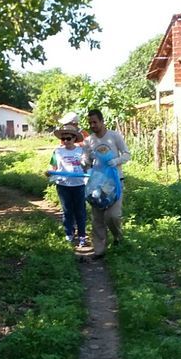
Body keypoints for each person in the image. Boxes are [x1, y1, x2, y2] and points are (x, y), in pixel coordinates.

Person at [84, 109, 131, 258]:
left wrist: (116, 161)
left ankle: (118, 237)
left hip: (115, 183)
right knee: (97, 218)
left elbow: (127, 154)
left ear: (102, 121)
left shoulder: (114, 136)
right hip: (96, 185)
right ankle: (99, 250)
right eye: (90, 122)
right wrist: (87, 160)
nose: (93, 125)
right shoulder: (89, 140)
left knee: (113, 216)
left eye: (95, 122)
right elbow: (86, 162)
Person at [46, 123, 88, 246]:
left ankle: (82, 236)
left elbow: (87, 167)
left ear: (74, 138)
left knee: (80, 211)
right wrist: (49, 172)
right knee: (67, 211)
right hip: (63, 185)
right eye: (63, 139)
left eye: (68, 138)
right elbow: (52, 166)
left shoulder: (81, 151)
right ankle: (69, 233)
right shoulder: (57, 151)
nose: (66, 141)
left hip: (79, 185)